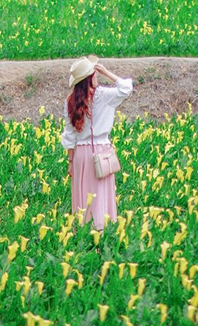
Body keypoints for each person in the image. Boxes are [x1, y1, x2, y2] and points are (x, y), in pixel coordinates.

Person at [61, 55, 133, 235]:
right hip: (101, 152)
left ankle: (83, 233)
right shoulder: (103, 95)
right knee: (100, 194)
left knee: (83, 194)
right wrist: (107, 72)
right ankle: (102, 233)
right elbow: (126, 88)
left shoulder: (70, 101)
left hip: (80, 155)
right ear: (92, 76)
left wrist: (70, 163)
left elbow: (70, 135)